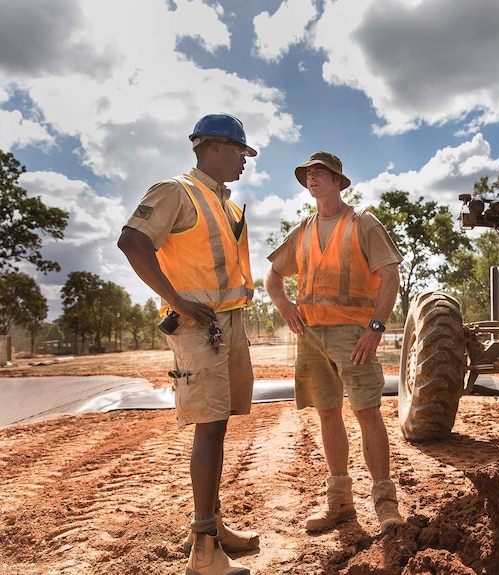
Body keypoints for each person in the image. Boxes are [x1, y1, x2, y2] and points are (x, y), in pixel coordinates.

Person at [118, 113, 259, 575]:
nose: (244, 161)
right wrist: (174, 298)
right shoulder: (176, 191)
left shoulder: (227, 204)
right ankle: (203, 550)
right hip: (199, 327)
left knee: (220, 424)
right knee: (209, 428)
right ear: (215, 147)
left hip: (226, 323)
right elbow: (132, 240)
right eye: (241, 151)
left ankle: (211, 528)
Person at [264, 151, 406, 533]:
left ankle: (385, 503)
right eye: (308, 173)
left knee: (367, 412)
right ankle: (340, 504)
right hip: (310, 337)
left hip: (354, 336)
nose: (312, 178)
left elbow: (390, 275)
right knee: (327, 413)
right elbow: (273, 277)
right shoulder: (304, 229)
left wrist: (376, 327)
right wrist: (284, 306)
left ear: (338, 181)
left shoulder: (363, 223)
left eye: (320, 172)